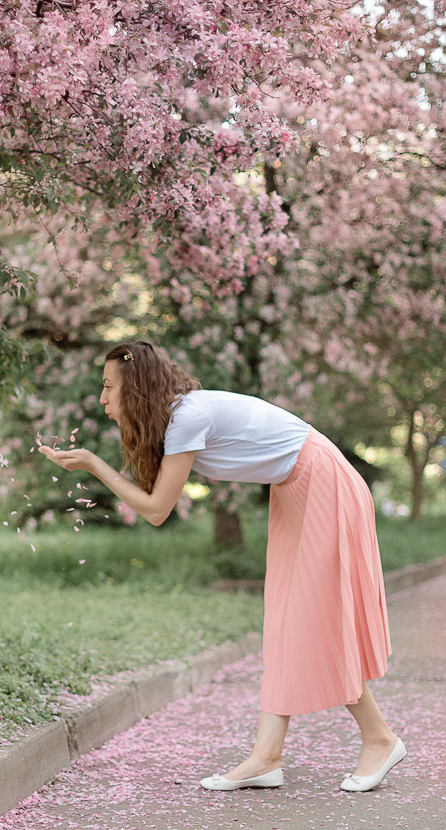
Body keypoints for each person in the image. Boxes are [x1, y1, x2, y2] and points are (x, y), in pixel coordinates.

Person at [39, 340, 405, 793]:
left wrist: (95, 466)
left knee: (316, 619)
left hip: (322, 480)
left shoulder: (188, 418)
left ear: (134, 389)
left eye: (108, 386)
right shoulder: (179, 419)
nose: (102, 399)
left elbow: (156, 510)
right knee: (285, 621)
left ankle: (380, 738)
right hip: (295, 487)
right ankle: (267, 757)